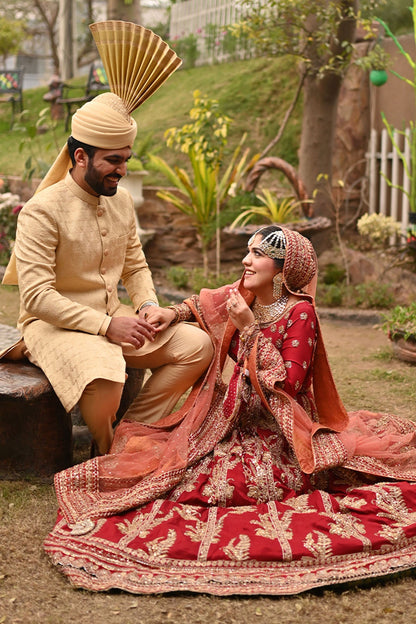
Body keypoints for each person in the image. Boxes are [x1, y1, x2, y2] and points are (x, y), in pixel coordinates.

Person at [44, 225, 416, 596]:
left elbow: (288, 386)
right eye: (248, 251)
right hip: (231, 418)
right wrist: (172, 315)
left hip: (277, 434)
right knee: (171, 464)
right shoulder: (246, 295)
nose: (245, 260)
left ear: (283, 270)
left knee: (217, 483)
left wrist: (250, 329)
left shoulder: (300, 313)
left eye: (257, 255)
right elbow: (203, 304)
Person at [0, 22, 213, 455]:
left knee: (198, 344)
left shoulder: (120, 203)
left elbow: (135, 265)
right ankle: (109, 452)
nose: (123, 170)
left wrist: (150, 307)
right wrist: (105, 325)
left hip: (117, 318)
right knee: (106, 376)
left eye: (126, 160)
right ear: (80, 157)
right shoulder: (43, 210)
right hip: (55, 327)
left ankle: (134, 437)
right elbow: (37, 296)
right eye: (113, 161)